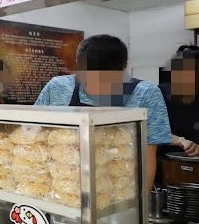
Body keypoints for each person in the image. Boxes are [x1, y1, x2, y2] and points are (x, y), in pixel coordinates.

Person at [35, 34, 172, 193]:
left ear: (125, 68)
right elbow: (37, 137)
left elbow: (147, 159)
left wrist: (139, 209)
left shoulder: (146, 94)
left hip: (119, 189)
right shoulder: (57, 87)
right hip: (64, 186)